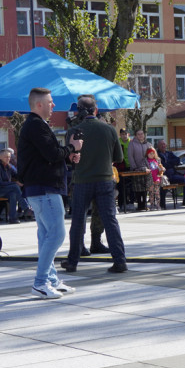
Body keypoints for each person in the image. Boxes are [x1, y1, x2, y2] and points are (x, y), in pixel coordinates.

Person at [17, 88, 82, 298]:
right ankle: (40, 282)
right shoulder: (36, 125)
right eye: (50, 102)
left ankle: (51, 280)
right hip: (44, 188)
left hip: (40, 188)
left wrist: (67, 156)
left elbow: (47, 156)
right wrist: (71, 149)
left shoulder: (36, 125)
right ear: (39, 105)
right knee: (56, 234)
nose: (53, 105)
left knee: (46, 235)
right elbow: (52, 153)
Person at [63, 94, 128, 274]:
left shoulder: (73, 131)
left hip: (82, 181)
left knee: (78, 221)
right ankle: (120, 261)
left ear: (78, 111)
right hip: (105, 180)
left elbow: (69, 160)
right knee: (110, 221)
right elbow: (119, 158)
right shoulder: (109, 130)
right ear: (96, 110)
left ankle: (72, 262)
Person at [0, 148, 28, 224]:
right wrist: (15, 183)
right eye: (6, 157)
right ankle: (26, 208)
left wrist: (25, 179)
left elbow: (17, 175)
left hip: (4, 189)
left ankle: (13, 218)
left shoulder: (8, 166)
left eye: (9, 157)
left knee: (13, 194)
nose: (8, 159)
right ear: (0, 157)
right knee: (14, 186)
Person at [126, 129, 150, 211]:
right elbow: (130, 156)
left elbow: (151, 155)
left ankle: (144, 205)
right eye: (138, 134)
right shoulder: (132, 144)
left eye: (142, 134)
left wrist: (149, 167)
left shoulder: (147, 143)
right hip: (136, 169)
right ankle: (140, 205)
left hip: (146, 169)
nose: (140, 135)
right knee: (138, 188)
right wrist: (134, 167)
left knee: (145, 188)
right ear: (135, 135)